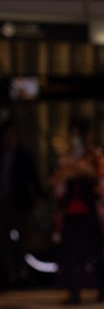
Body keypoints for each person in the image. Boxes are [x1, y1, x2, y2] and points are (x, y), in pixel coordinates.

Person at [50, 119, 104, 304]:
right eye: (72, 135)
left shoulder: (96, 157)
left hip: (91, 210)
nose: (74, 139)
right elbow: (56, 185)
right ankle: (74, 290)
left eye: (78, 134)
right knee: (71, 252)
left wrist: (87, 174)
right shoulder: (66, 159)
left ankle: (102, 287)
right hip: (71, 211)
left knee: (95, 250)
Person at [0, 119, 42, 288]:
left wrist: (38, 198)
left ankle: (22, 272)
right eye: (7, 135)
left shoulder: (24, 156)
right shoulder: (1, 155)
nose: (10, 138)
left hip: (20, 203)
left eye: (13, 135)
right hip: (3, 202)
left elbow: (33, 179)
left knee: (22, 238)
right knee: (5, 239)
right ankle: (9, 272)